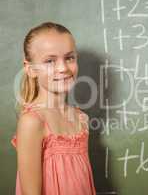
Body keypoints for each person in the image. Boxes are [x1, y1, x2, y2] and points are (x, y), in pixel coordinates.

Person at [11, 22, 96, 195]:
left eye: (69, 58)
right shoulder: (32, 121)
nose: (63, 68)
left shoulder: (80, 118)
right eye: (50, 61)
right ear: (30, 69)